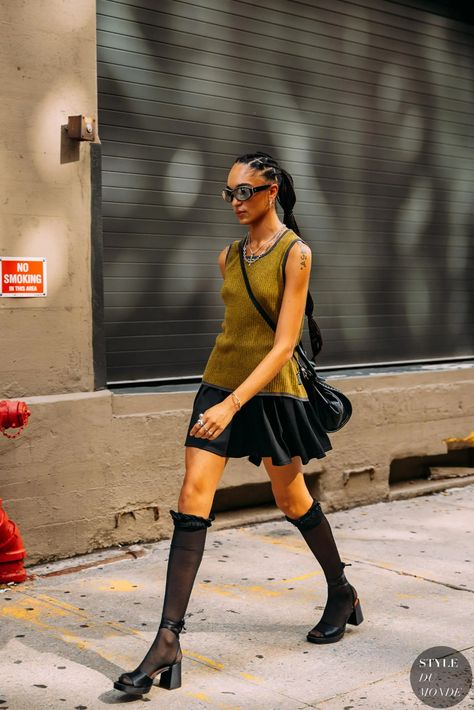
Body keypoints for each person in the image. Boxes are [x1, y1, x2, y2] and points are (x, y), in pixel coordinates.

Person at [113, 151, 363, 696]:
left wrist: (234, 405)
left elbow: (281, 345)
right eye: (228, 193)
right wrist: (220, 398)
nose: (234, 202)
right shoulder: (227, 256)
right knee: (192, 495)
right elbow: (236, 329)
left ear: (271, 191)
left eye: (244, 191)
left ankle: (341, 590)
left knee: (291, 497)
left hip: (271, 392)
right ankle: (167, 641)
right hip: (219, 382)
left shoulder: (296, 254)